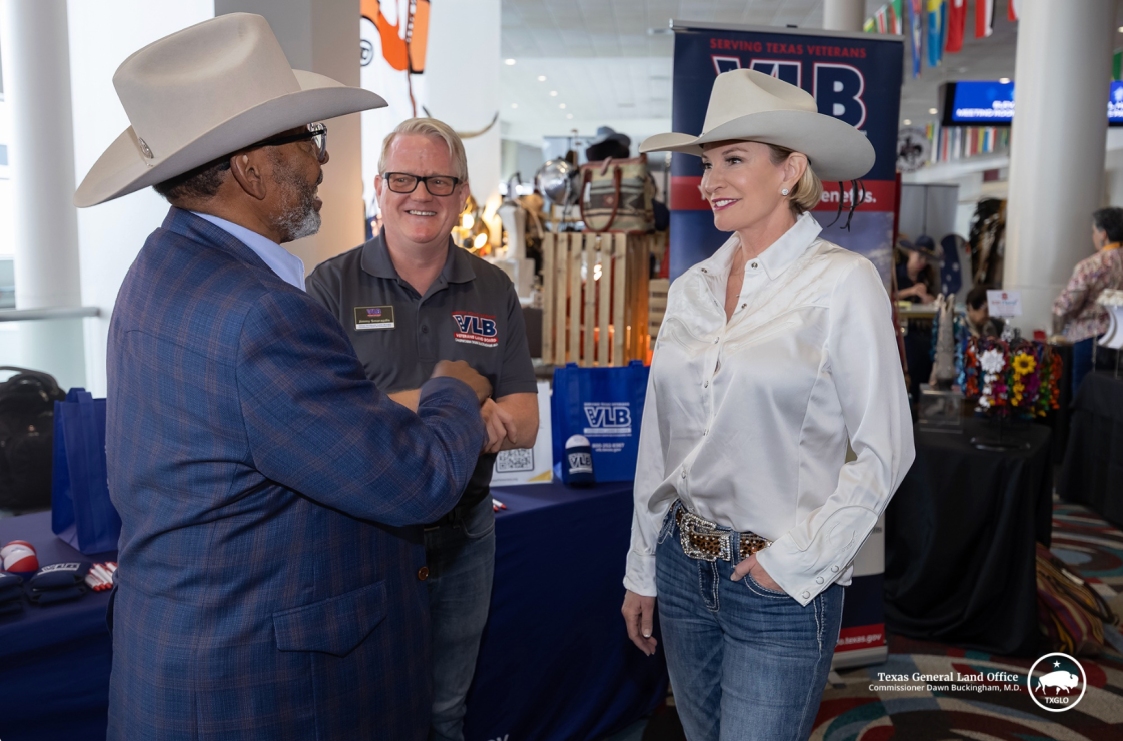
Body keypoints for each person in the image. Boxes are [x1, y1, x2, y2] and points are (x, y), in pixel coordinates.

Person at [73, 15, 491, 741]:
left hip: (193, 664)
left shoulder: (160, 267)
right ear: (251, 169)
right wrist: (454, 384)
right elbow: (413, 479)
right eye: (308, 139)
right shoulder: (257, 314)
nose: (322, 161)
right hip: (265, 693)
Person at [620, 69, 915, 741]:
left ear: (790, 170)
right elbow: (660, 445)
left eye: (732, 159)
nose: (710, 179)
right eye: (705, 162)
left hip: (777, 578)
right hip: (681, 562)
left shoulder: (842, 282)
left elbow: (885, 447)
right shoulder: (692, 286)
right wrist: (643, 567)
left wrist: (795, 563)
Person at [306, 118, 538, 741]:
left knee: (444, 712)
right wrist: (459, 396)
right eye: (405, 178)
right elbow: (327, 424)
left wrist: (424, 405)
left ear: (463, 194)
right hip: (366, 536)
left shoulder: (492, 287)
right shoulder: (329, 286)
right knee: (363, 712)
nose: (422, 194)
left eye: (440, 180)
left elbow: (524, 421)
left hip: (465, 534)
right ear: (378, 187)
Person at [1053, 206, 1123, 395]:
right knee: (1113, 399)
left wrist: (1059, 316)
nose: (1093, 236)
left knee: (1085, 398)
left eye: (1093, 231)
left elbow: (1067, 303)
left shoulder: (1091, 265)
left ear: (1103, 234)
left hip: (1090, 338)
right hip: (1120, 342)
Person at [895, 235, 940, 304]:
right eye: (920, 256)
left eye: (927, 259)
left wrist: (928, 299)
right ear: (910, 252)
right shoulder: (895, 272)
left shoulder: (927, 275)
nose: (923, 261)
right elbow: (888, 296)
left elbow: (935, 297)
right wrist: (911, 291)